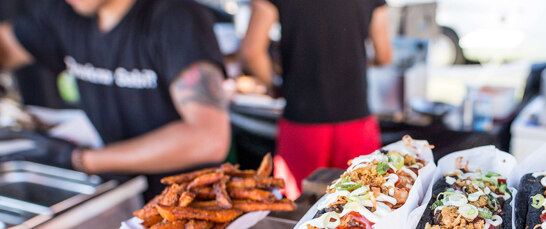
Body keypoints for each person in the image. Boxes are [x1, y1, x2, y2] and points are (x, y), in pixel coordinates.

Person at [0, 0, 230, 200]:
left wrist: (81, 159)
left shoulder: (176, 16)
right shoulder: (64, 14)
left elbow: (208, 138)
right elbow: (7, 46)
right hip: (117, 198)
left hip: (188, 203)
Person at [241, 0, 392, 199]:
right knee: (366, 208)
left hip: (302, 122)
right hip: (356, 122)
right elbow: (384, 55)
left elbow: (251, 53)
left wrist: (275, 86)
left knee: (298, 214)